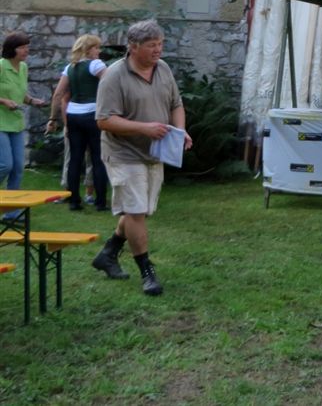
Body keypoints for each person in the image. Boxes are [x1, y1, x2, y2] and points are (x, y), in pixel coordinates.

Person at [90, 20, 192, 296]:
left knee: (139, 210)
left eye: (160, 44)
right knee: (135, 211)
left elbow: (176, 104)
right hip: (123, 154)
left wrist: (179, 131)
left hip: (154, 153)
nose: (158, 50)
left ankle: (108, 253)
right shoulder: (114, 76)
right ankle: (147, 272)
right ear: (133, 47)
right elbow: (104, 120)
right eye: (151, 45)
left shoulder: (163, 69)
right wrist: (144, 128)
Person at [46, 34, 110, 211]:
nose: (99, 51)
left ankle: (74, 201)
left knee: (75, 158)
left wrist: (53, 118)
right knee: (98, 158)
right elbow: (110, 83)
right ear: (88, 49)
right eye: (96, 47)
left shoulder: (70, 68)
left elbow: (58, 95)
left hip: (73, 115)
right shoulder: (96, 65)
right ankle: (100, 202)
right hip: (92, 115)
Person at [0, 32, 47, 221]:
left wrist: (32, 100)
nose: (27, 50)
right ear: (12, 49)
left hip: (16, 123)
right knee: (5, 165)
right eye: (22, 47)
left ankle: (11, 212)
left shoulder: (24, 67)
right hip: (0, 123)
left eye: (27, 47)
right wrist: (4, 101)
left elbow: (20, 93)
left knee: (18, 167)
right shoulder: (1, 66)